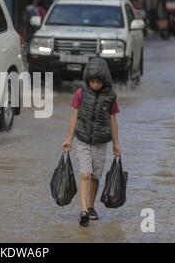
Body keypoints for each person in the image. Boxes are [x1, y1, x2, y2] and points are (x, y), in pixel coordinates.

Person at [61, 58, 121, 227]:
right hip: (83, 141)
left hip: (101, 143)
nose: (95, 85)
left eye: (98, 82)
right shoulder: (80, 93)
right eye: (92, 81)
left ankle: (91, 206)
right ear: (88, 80)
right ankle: (83, 211)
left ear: (104, 81)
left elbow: (113, 121)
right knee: (85, 174)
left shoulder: (110, 97)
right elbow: (74, 117)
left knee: (95, 176)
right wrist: (68, 139)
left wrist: (116, 144)